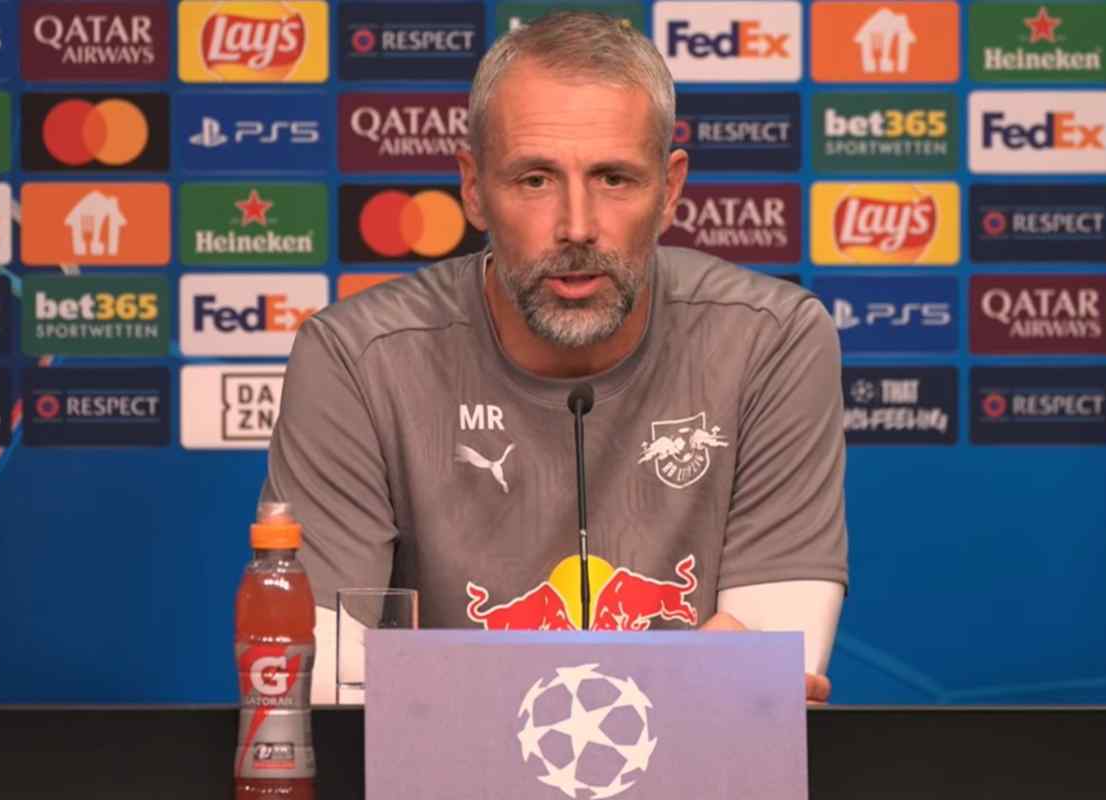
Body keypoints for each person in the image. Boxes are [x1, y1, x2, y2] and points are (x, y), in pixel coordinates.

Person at [262, 12, 847, 703]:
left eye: (614, 178)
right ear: (474, 189)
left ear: (670, 190)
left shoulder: (773, 339)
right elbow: (330, 680)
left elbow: (768, 656)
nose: (577, 226)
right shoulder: (355, 359)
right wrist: (687, 686)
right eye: (535, 180)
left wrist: (436, 695)